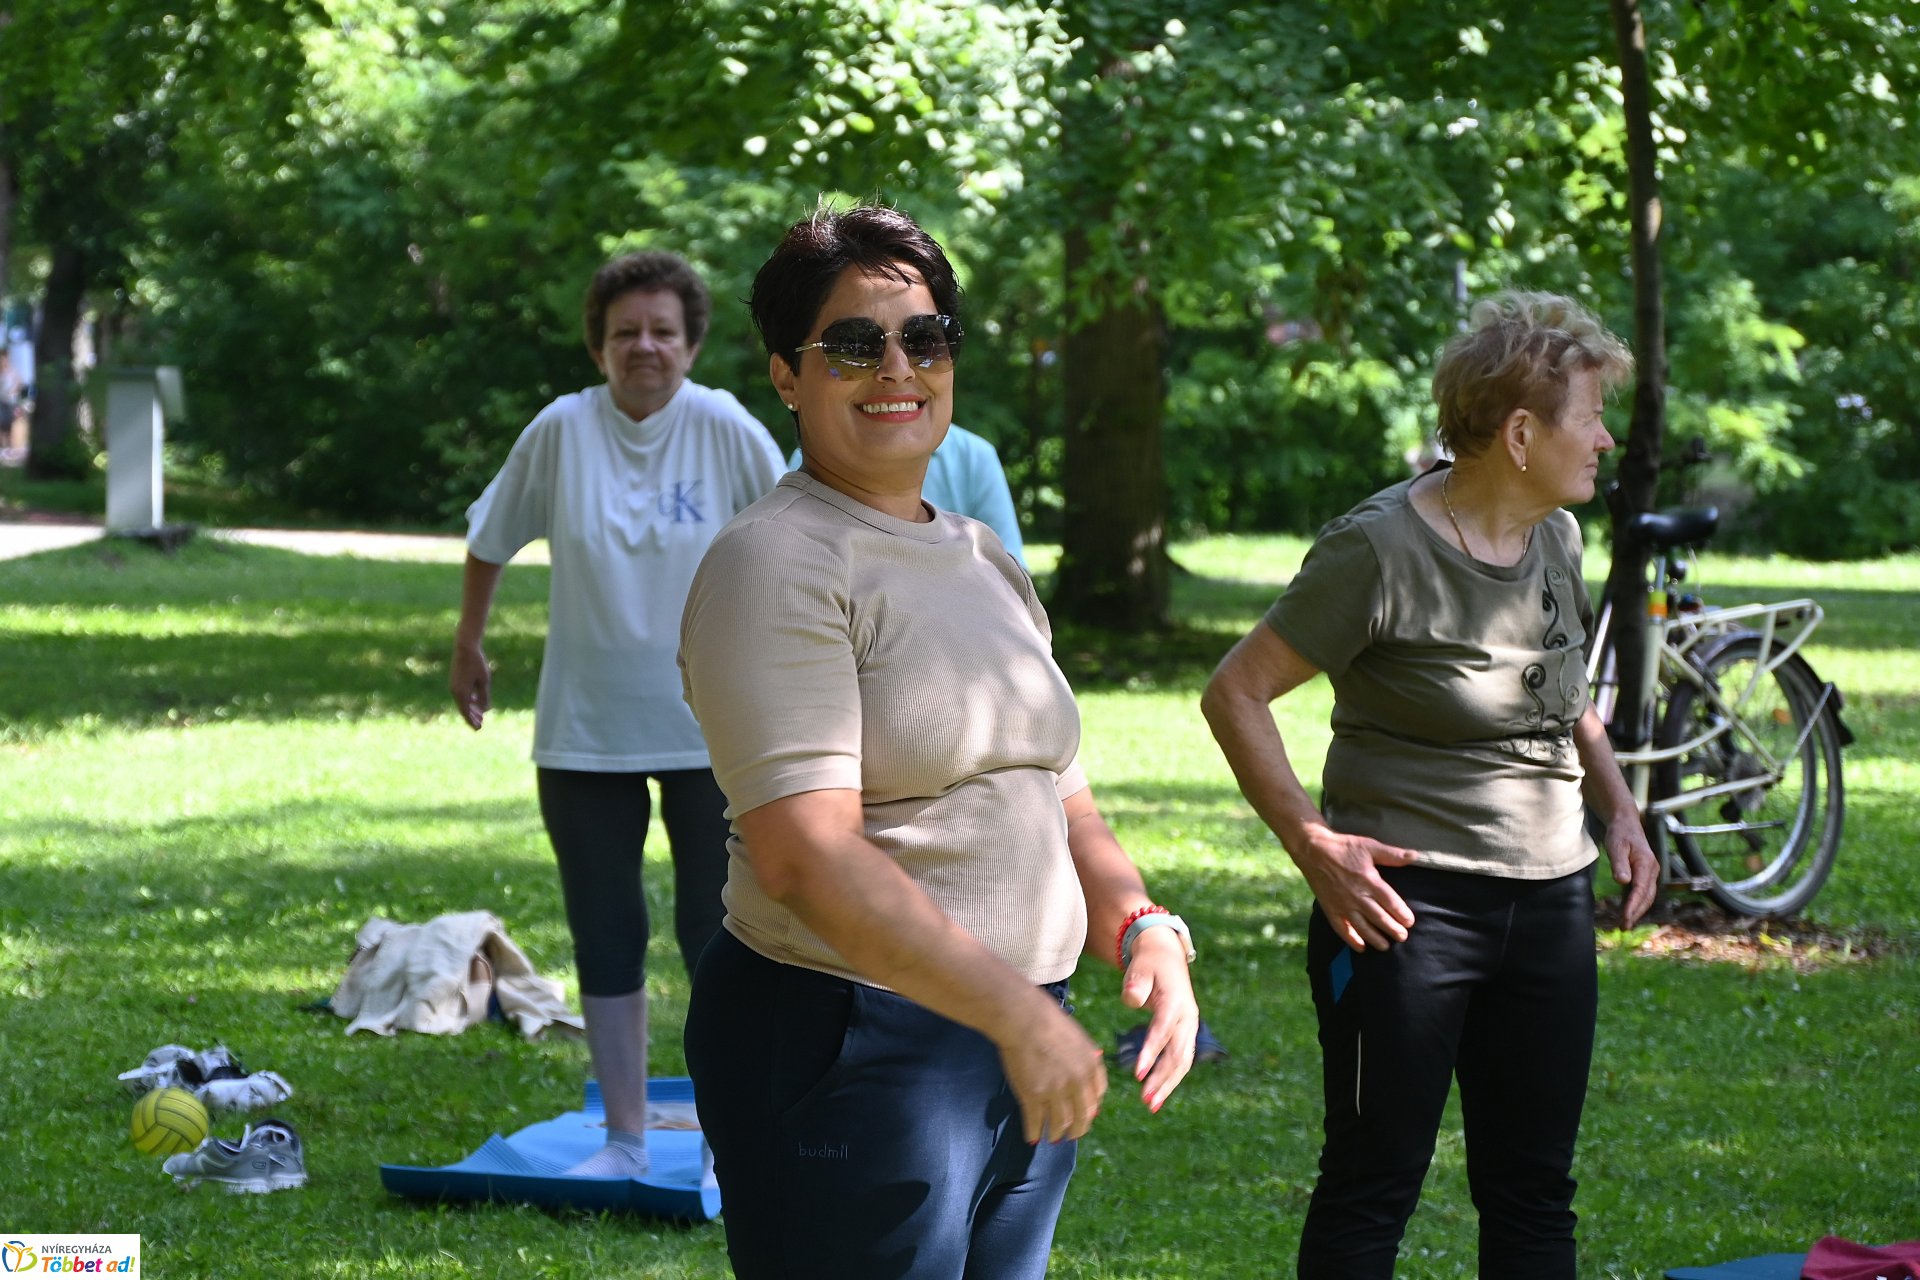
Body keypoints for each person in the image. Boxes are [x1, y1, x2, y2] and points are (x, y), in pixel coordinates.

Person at [678, 204, 1200, 1279]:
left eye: (926, 337)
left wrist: (1144, 922)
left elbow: (1063, 792)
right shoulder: (776, 561)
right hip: (853, 1039)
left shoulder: (979, 554)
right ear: (787, 373)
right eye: (855, 345)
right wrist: (1014, 1012)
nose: (898, 367)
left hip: (1011, 1029)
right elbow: (804, 854)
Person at [1200, 290, 1660, 1280]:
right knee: (1374, 1182)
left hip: (1550, 901)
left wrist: (1617, 806)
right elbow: (1235, 692)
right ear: (1522, 432)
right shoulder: (1376, 549)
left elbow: (1567, 691)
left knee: (1534, 1189)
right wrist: (1314, 844)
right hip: (1406, 910)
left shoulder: (1558, 538)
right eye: (1591, 417)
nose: (1608, 438)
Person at [450, 250, 785, 1178]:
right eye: (626, 331)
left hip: (710, 725)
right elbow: (490, 535)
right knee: (606, 930)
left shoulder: (723, 426)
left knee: (717, 935)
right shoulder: (561, 430)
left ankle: (730, 1143)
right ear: (599, 344)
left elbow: (797, 537)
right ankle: (627, 1142)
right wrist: (469, 641)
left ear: (692, 344)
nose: (645, 347)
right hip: (584, 729)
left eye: (663, 332)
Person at [787, 420, 1026, 566]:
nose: (899, 370)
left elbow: (1008, 571)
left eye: (923, 347)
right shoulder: (813, 460)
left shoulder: (976, 456)